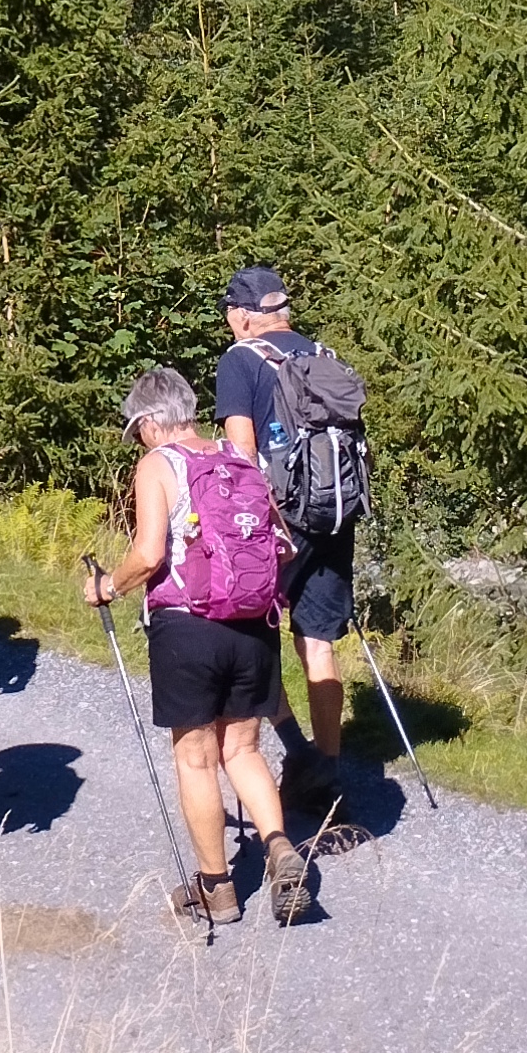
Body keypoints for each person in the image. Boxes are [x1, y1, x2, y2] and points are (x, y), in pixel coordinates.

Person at [82, 364, 310, 927]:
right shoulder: (241, 457)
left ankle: (218, 889)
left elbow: (150, 554)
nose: (138, 439)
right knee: (244, 751)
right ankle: (279, 846)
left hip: (188, 628)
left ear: (153, 423)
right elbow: (280, 548)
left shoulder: (158, 465)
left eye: (138, 429)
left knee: (196, 758)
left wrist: (106, 586)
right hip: (255, 623)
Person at [217, 262, 354, 799]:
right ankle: (329, 764)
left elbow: (242, 452)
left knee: (253, 637)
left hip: (279, 520)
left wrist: (241, 526)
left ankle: (297, 752)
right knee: (318, 642)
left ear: (243, 315)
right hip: (334, 513)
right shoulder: (323, 355)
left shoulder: (240, 360)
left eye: (231, 312)